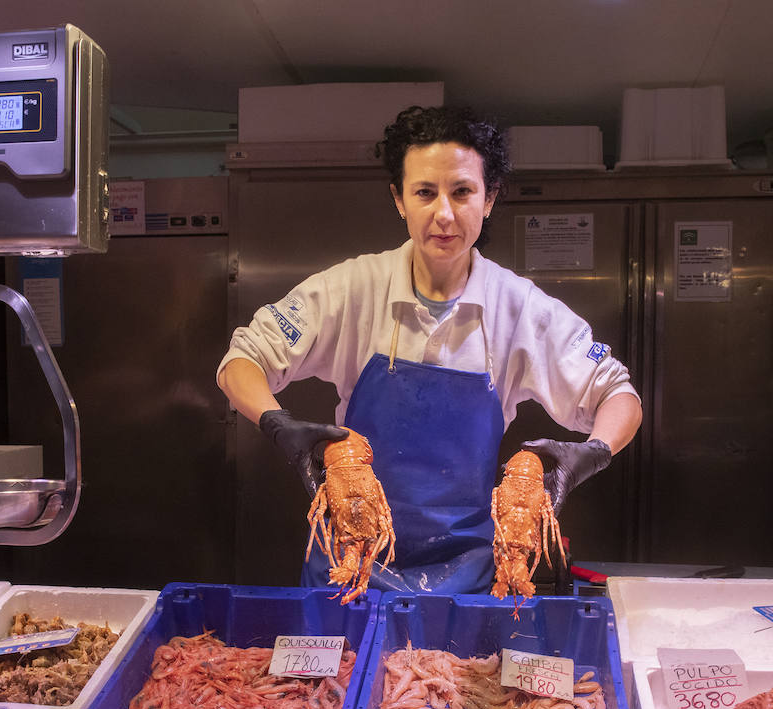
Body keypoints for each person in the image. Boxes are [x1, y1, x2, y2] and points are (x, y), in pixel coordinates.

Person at [216, 105, 642, 594]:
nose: (444, 213)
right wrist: (277, 423)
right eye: (424, 192)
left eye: (462, 191)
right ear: (399, 199)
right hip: (351, 561)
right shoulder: (352, 288)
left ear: (489, 198)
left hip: (467, 576)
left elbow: (618, 394)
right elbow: (241, 362)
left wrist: (590, 453)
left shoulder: (520, 308)